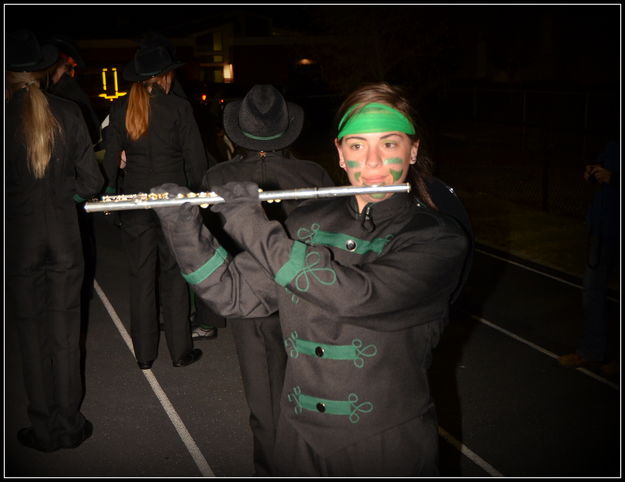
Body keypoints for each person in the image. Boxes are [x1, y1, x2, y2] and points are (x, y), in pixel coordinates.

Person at [151, 82, 471, 475]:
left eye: (389, 144)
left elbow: (357, 297)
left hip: (385, 445)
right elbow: (234, 295)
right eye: (356, 146)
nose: (371, 162)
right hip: (297, 439)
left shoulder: (436, 237)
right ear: (339, 152)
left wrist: (251, 224)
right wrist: (182, 226)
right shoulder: (308, 220)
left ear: (413, 149)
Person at [193, 84, 335, 474]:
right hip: (308, 293)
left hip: (249, 297)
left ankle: (272, 469)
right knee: (317, 388)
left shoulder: (218, 174)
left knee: (264, 398)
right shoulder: (313, 173)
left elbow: (209, 240)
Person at [5, 30, 104, 452]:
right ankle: (70, 421)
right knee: (67, 332)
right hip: (64, 237)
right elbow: (92, 181)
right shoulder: (68, 111)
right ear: (44, 72)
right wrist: (69, 198)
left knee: (30, 333)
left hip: (19, 239)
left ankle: (43, 426)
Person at [101, 42, 207, 370]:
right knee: (174, 276)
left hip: (135, 203)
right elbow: (196, 159)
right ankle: (179, 351)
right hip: (173, 203)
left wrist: (105, 192)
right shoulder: (178, 109)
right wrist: (200, 196)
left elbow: (108, 162)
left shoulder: (120, 110)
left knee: (140, 277)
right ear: (164, 77)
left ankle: (144, 354)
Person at [558, 140, 620, 377]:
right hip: (603, 226)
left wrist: (613, 178)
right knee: (592, 289)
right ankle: (592, 351)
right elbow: (605, 161)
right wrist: (594, 170)